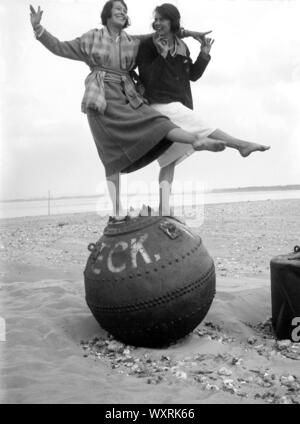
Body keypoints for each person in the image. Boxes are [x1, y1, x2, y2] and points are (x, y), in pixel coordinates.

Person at [29, 1, 225, 217]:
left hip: (127, 96)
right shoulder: (91, 38)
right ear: (107, 15)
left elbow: (161, 32)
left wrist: (190, 33)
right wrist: (39, 29)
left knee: (157, 122)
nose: (123, 13)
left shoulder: (131, 41)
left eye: (125, 10)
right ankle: (116, 211)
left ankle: (195, 140)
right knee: (110, 157)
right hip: (100, 98)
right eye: (118, 10)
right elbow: (59, 47)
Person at [136, 3, 271, 215]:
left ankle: (163, 209)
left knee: (168, 161)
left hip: (180, 105)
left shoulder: (182, 47)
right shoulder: (147, 46)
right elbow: (147, 77)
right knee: (202, 126)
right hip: (159, 104)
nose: (157, 23)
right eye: (156, 19)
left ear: (173, 21)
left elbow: (194, 75)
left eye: (162, 19)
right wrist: (161, 56)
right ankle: (240, 145)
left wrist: (204, 54)